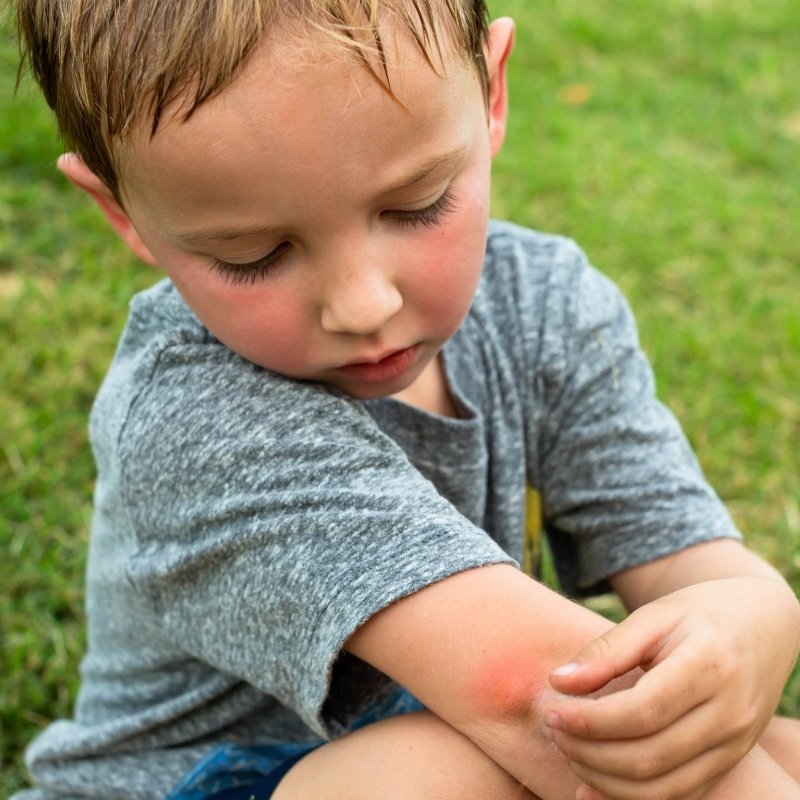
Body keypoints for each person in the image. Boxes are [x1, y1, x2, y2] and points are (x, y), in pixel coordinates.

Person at [11, 1, 800, 798]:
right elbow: (540, 704)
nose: (362, 305)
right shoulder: (192, 417)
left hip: (440, 744)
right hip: (214, 786)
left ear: (490, 94)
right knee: (467, 761)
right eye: (252, 253)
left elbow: (693, 566)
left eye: (416, 203)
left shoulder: (545, 307)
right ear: (123, 209)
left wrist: (756, 618)